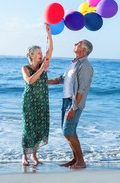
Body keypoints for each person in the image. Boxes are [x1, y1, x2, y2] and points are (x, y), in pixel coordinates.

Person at [48, 40, 94, 169]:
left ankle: (81, 162)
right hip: (66, 100)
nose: (75, 43)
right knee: (67, 131)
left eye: (79, 43)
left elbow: (82, 89)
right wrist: (43, 81)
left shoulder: (85, 66)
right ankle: (75, 159)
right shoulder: (74, 62)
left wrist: (74, 107)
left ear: (84, 50)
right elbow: (62, 79)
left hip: (74, 103)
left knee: (69, 132)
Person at [21, 23, 53, 166]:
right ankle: (24, 156)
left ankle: (34, 156)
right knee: (28, 127)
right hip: (29, 101)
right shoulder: (25, 68)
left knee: (39, 127)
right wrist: (42, 70)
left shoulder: (43, 64)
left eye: (41, 53)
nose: (42, 55)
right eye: (39, 53)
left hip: (42, 101)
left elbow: (50, 49)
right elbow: (30, 81)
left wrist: (49, 34)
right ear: (32, 55)